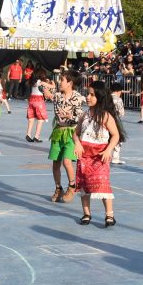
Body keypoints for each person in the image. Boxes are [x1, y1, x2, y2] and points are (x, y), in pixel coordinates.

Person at [74, 80, 125, 227]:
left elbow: (115, 135)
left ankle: (109, 215)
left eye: (92, 95)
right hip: (84, 156)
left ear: (100, 97)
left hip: (100, 155)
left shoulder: (106, 116)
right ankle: (86, 213)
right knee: (84, 185)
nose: (88, 97)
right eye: (87, 94)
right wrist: (77, 143)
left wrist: (108, 150)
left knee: (102, 183)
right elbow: (76, 133)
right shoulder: (85, 115)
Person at [48, 69, 85, 202]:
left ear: (70, 83)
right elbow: (42, 88)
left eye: (62, 80)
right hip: (58, 131)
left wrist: (71, 116)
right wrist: (46, 86)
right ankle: (58, 188)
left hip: (71, 132)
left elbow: (81, 116)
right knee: (55, 163)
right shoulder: (57, 96)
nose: (60, 82)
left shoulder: (77, 97)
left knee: (67, 161)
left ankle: (72, 186)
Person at [25, 69, 52, 143]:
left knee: (31, 118)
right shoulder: (41, 82)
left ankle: (28, 134)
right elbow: (52, 86)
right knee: (40, 119)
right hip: (39, 100)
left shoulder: (32, 82)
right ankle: (36, 136)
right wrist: (52, 83)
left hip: (31, 100)